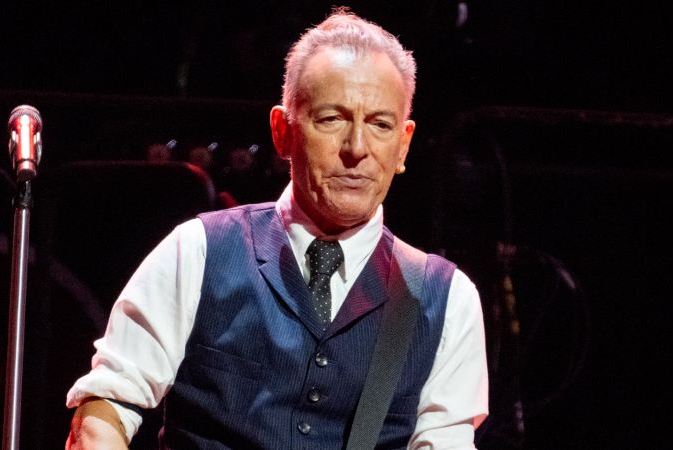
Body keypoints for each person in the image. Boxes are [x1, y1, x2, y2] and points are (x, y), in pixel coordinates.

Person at [66, 8, 488, 449]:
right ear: (282, 131)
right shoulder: (199, 252)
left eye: (380, 125)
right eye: (332, 119)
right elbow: (105, 406)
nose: (357, 148)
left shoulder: (446, 300)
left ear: (403, 145)